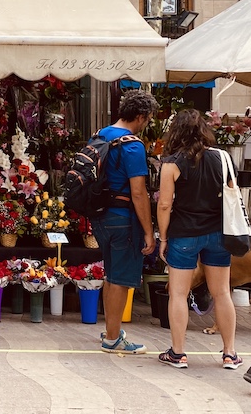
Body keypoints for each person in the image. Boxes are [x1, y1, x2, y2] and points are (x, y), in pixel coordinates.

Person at [157, 109, 240, 369]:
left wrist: (163, 238)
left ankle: (178, 353)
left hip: (184, 234)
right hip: (218, 233)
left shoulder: (171, 163)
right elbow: (230, 195)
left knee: (179, 294)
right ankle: (229, 353)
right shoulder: (223, 158)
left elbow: (164, 205)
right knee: (222, 292)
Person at [91, 89, 158, 354]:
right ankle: (112, 339)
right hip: (123, 219)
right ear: (140, 116)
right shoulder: (132, 145)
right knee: (119, 279)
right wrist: (149, 231)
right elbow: (139, 193)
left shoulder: (100, 134)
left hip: (100, 217)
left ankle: (111, 329)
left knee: (111, 275)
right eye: (148, 119)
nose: (147, 124)